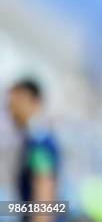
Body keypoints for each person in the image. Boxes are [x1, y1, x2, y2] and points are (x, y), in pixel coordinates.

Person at [7, 79, 60, 222]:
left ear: (33, 102)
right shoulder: (32, 140)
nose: (11, 111)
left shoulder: (38, 143)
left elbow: (44, 196)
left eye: (15, 104)